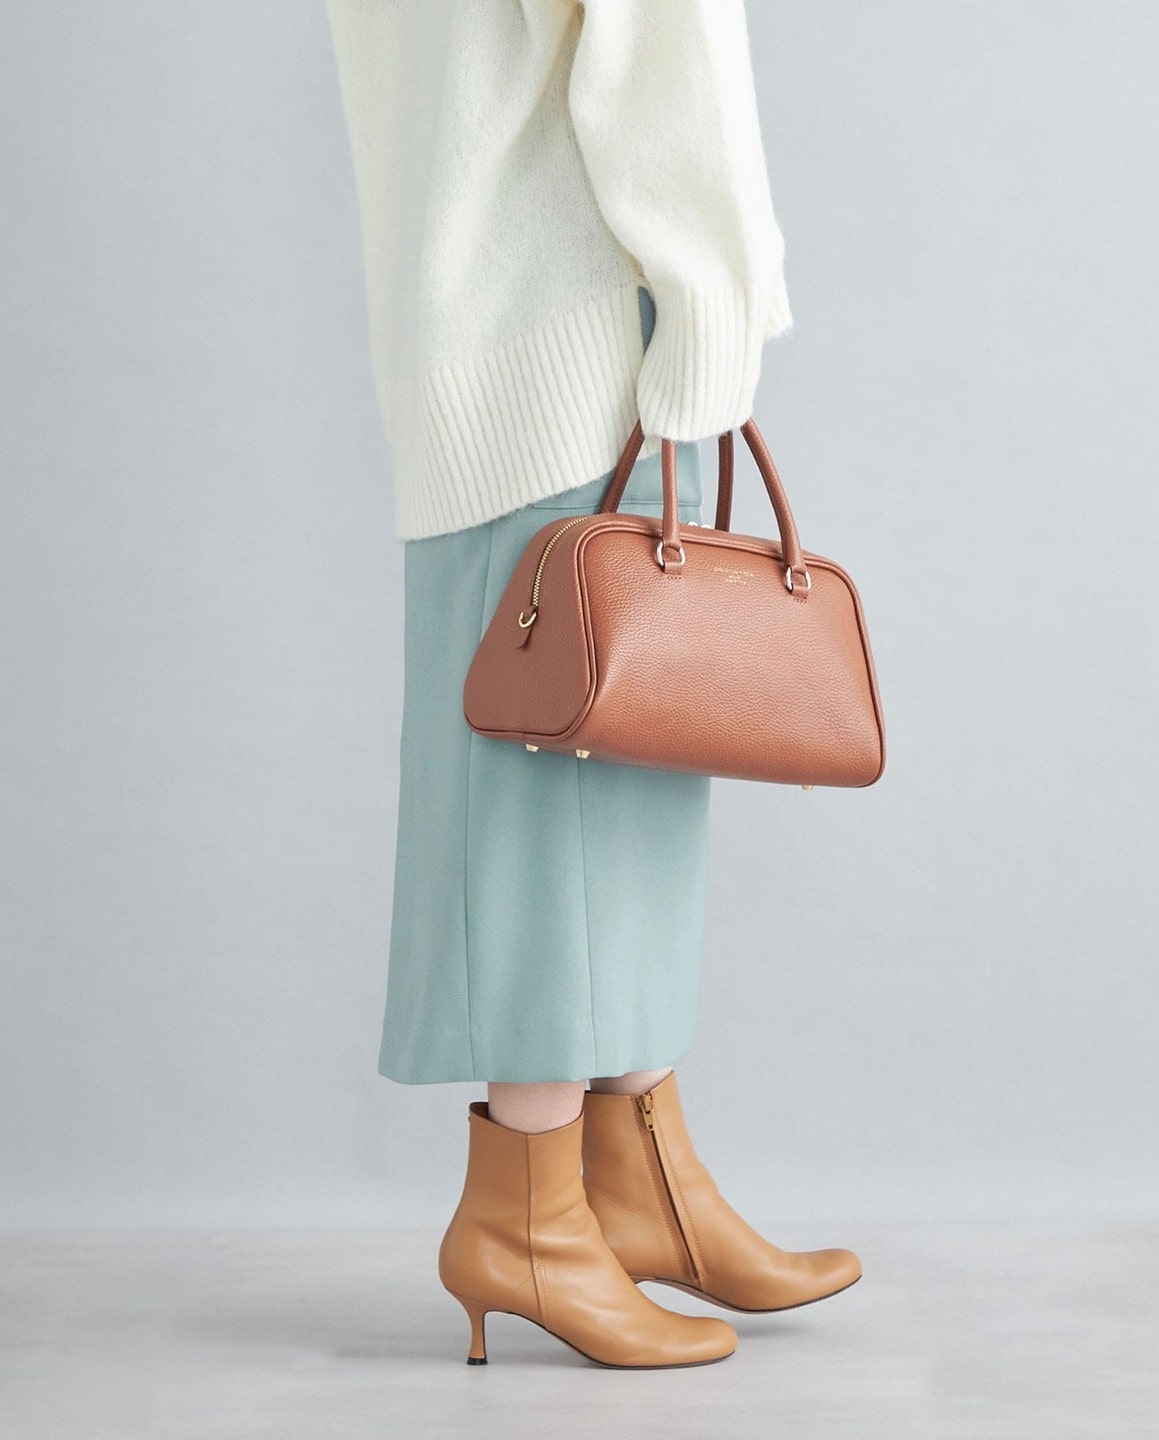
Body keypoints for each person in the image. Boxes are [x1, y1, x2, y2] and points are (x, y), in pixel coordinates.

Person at [323, 0, 860, 1369]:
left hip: (467, 323)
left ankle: (637, 1186)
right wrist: (713, 308)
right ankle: (530, 1218)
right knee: (549, 809)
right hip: (566, 328)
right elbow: (666, 47)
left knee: (606, 787)